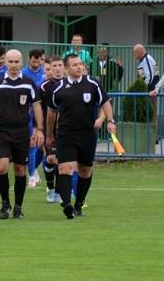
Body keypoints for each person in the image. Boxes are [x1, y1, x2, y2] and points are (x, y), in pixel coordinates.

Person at [46, 54, 116, 219]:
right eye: (75, 65)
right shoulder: (58, 88)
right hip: (66, 133)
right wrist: (49, 134)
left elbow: (105, 102)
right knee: (65, 168)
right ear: (67, 68)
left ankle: (78, 204)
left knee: (85, 171)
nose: (79, 67)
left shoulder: (93, 84)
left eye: (80, 64)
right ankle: (66, 204)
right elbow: (51, 112)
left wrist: (110, 120)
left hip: (87, 134)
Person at [0, 49, 44, 219]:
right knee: (2, 167)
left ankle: (18, 207)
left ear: (21, 63)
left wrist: (39, 128)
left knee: (20, 170)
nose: (13, 65)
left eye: (16, 62)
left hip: (21, 132)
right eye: (10, 62)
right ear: (5, 62)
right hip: (1, 131)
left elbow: (36, 106)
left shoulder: (29, 83)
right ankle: (5, 203)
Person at [40, 55, 64, 203]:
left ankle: (60, 192)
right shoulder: (44, 87)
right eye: (54, 66)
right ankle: (50, 188)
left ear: (64, 67)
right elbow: (38, 108)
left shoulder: (69, 84)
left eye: (60, 65)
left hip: (65, 129)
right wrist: (38, 128)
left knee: (62, 161)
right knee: (51, 159)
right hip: (48, 128)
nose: (57, 69)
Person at [22, 48, 45, 187]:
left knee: (41, 145)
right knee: (32, 144)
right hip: (28, 113)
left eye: (38, 61)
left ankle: (34, 169)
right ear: (29, 59)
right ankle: (31, 174)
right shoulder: (23, 73)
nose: (36, 64)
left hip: (43, 112)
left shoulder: (45, 72)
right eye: (34, 61)